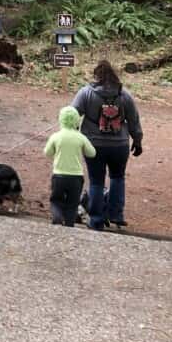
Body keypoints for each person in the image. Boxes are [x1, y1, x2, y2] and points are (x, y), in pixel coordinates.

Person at [72, 60, 143, 229]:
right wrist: (137, 141)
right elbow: (134, 120)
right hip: (120, 145)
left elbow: (73, 113)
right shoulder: (124, 95)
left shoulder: (86, 93)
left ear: (96, 75)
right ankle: (116, 214)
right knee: (118, 178)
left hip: (93, 144)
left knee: (96, 182)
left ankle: (96, 220)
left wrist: (74, 133)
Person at [44, 106, 96, 227]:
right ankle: (69, 225)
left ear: (60, 120)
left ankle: (57, 217)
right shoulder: (81, 137)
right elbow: (92, 153)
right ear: (77, 121)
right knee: (72, 204)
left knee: (56, 200)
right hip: (76, 177)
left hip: (59, 175)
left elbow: (47, 152)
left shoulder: (56, 136)